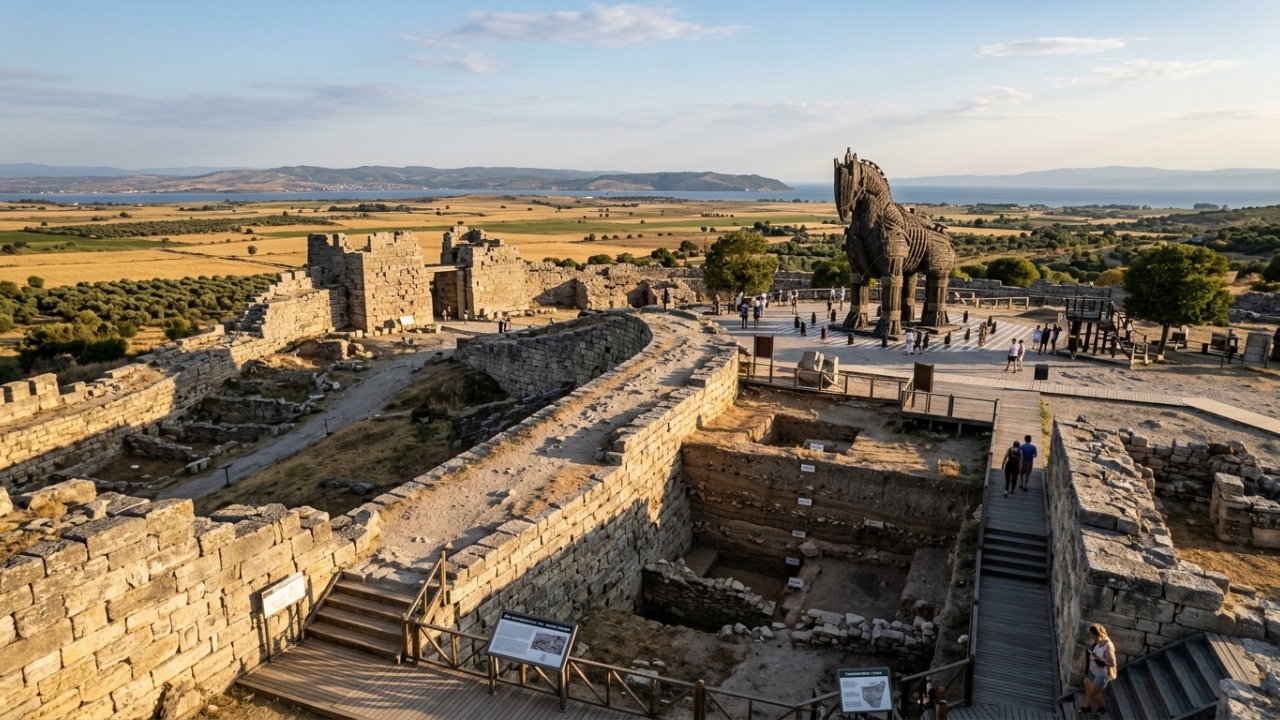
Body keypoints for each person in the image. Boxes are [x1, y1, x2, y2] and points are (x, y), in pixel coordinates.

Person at [1081, 624, 1116, 717]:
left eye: (1091, 634)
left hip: (1102, 673)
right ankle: (1086, 706)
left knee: (1093, 691)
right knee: (1087, 682)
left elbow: (1112, 664)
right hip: (1093, 670)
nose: (1090, 635)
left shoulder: (1108, 646)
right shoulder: (1097, 642)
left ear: (1097, 634)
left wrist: (1098, 658)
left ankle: (1102, 707)